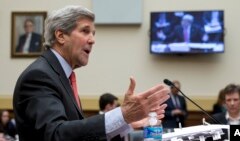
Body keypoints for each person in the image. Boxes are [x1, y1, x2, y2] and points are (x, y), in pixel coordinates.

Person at [13, 5, 170, 141]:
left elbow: (79, 135)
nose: (92, 40)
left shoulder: (63, 76)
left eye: (93, 33)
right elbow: (56, 134)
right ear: (60, 36)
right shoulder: (39, 76)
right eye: (85, 31)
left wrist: (125, 121)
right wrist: (122, 115)